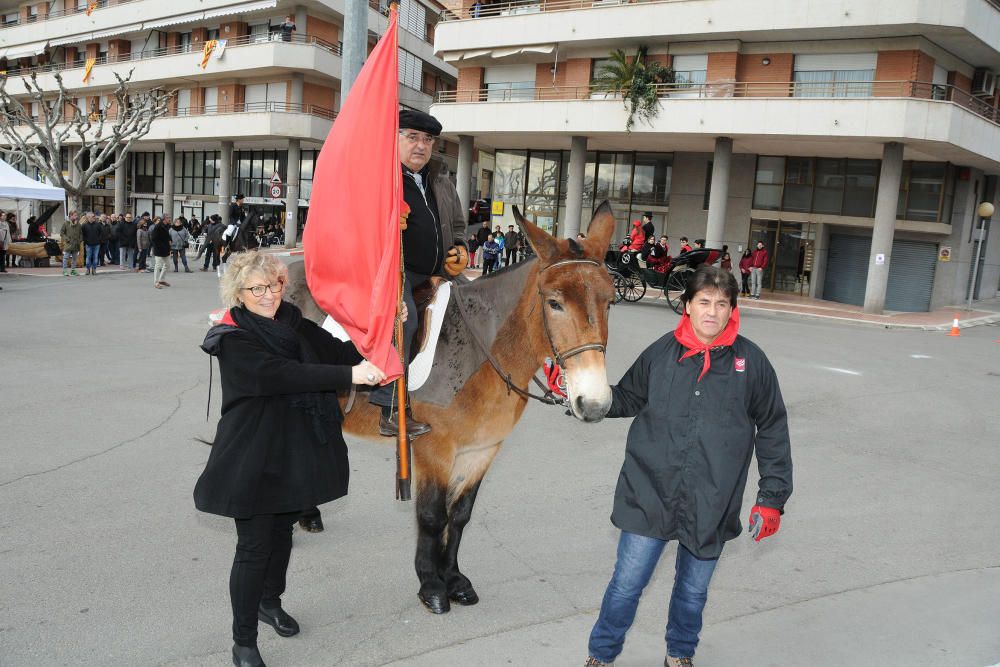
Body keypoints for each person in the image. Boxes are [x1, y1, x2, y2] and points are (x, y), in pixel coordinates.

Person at [585, 265, 793, 667]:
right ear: (687, 306)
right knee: (627, 585)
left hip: (713, 498)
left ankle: (679, 654)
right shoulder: (662, 352)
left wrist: (772, 497)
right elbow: (626, 398)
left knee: (693, 592)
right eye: (704, 302)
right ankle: (602, 655)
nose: (712, 312)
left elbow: (772, 427)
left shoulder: (752, 362)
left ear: (732, 310)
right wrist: (584, 394)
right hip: (649, 491)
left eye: (721, 304)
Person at [194, 251, 386, 667]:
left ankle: (269, 602)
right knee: (253, 546)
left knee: (282, 533)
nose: (268, 295)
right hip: (253, 451)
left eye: (275, 285)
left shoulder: (293, 322)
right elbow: (275, 375)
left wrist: (385, 326)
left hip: (295, 446)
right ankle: (243, 641)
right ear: (239, 293)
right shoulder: (232, 338)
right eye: (257, 288)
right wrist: (348, 376)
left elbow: (339, 352)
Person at [367, 108, 467, 438]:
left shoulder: (440, 179)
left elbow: (457, 225)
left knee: (481, 307)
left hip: (440, 272)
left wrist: (462, 251)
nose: (421, 146)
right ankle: (390, 407)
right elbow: (355, 224)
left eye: (427, 139)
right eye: (412, 137)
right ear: (393, 140)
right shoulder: (379, 179)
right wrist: (382, 226)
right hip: (397, 273)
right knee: (403, 320)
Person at [150, 216, 172, 288]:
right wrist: (158, 246)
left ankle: (161, 279)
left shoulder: (166, 226)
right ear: (164, 219)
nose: (169, 219)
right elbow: (153, 238)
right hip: (159, 249)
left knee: (167, 265)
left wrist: (170, 240)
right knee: (158, 266)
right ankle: (156, 282)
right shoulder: (157, 227)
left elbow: (167, 236)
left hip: (166, 249)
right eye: (168, 218)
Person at [61, 211, 83, 277]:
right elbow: (62, 233)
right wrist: (67, 239)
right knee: (66, 258)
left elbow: (81, 233)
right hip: (68, 244)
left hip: (76, 244)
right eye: (75, 215)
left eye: (76, 215)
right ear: (70, 216)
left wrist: (80, 240)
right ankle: (64, 271)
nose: (76, 217)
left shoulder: (78, 224)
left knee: (74, 259)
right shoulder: (66, 223)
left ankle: (73, 271)